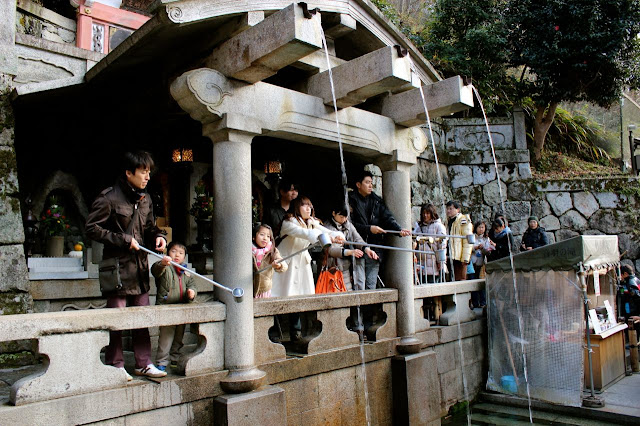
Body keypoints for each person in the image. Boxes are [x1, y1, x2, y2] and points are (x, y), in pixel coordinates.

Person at [86, 151, 167, 379]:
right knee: (117, 320)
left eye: (149, 172)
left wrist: (158, 236)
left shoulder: (146, 199)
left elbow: (149, 227)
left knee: (142, 318)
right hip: (118, 269)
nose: (147, 177)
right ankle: (115, 363)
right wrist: (122, 239)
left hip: (140, 269)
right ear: (129, 172)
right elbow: (92, 228)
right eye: (143, 172)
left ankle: (143, 363)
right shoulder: (109, 198)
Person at [271, 197, 344, 340]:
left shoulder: (312, 222)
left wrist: (336, 236)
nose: (308, 209)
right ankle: (274, 332)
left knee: (299, 297)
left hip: (302, 264)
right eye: (304, 206)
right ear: (297, 207)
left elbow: (325, 230)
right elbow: (305, 234)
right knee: (279, 296)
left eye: (310, 206)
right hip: (286, 264)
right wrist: (327, 237)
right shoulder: (289, 222)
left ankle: (296, 332)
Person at [349, 170, 410, 289]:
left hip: (375, 246)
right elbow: (350, 225)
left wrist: (399, 230)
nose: (370, 185)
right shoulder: (351, 200)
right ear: (358, 184)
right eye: (367, 182)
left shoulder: (376, 201)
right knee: (358, 284)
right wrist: (369, 229)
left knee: (371, 284)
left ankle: (370, 307)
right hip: (357, 247)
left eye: (371, 182)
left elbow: (387, 217)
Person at [151, 241, 197, 372]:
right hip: (166, 307)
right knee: (166, 338)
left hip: (181, 307)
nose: (177, 255)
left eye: (181, 253)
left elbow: (192, 285)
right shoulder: (165, 267)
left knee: (179, 336)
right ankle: (161, 362)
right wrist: (163, 263)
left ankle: (175, 359)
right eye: (173, 251)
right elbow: (156, 270)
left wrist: (192, 293)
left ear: (184, 257)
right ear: (167, 252)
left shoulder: (186, 271)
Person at [413, 203, 447, 283]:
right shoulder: (419, 227)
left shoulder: (439, 226)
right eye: (424, 213)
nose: (425, 215)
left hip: (433, 263)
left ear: (432, 214)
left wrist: (441, 263)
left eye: (428, 213)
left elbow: (442, 245)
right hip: (421, 263)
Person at [252, 224, 288, 298]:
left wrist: (279, 265)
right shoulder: (248, 250)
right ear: (253, 237)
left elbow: (283, 264)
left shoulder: (272, 251)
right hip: (248, 288)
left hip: (264, 290)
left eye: (268, 236)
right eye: (262, 234)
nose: (265, 238)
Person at [263, 178, 299, 243]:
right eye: (291, 190)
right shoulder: (271, 210)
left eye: (296, 190)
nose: (294, 193)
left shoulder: (298, 210)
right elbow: (265, 229)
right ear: (282, 192)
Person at [445, 200, 473, 281]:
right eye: (447, 209)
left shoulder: (463, 220)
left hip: (459, 256)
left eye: (451, 209)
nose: (448, 211)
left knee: (460, 278)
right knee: (451, 278)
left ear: (458, 209)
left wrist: (465, 258)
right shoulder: (448, 221)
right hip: (450, 255)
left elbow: (467, 240)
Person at [469, 221, 491, 307]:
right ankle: (475, 302)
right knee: (472, 283)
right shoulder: (472, 237)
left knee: (482, 283)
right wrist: (476, 247)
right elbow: (468, 248)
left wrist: (483, 249)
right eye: (479, 227)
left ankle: (483, 302)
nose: (481, 229)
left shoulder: (486, 238)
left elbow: (488, 252)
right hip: (473, 263)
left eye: (483, 227)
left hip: (482, 264)